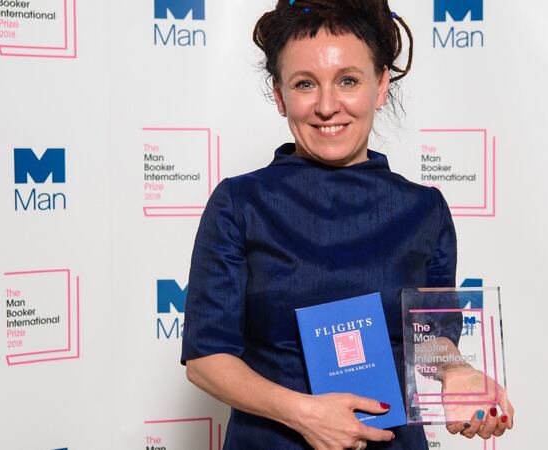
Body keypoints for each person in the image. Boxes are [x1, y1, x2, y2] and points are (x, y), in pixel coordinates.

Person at [181, 1, 513, 449]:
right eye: (304, 84)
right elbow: (206, 359)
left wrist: (460, 374)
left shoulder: (424, 209)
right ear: (280, 96)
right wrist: (305, 414)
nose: (326, 106)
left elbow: (432, 342)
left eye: (348, 81)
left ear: (380, 85)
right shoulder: (240, 204)